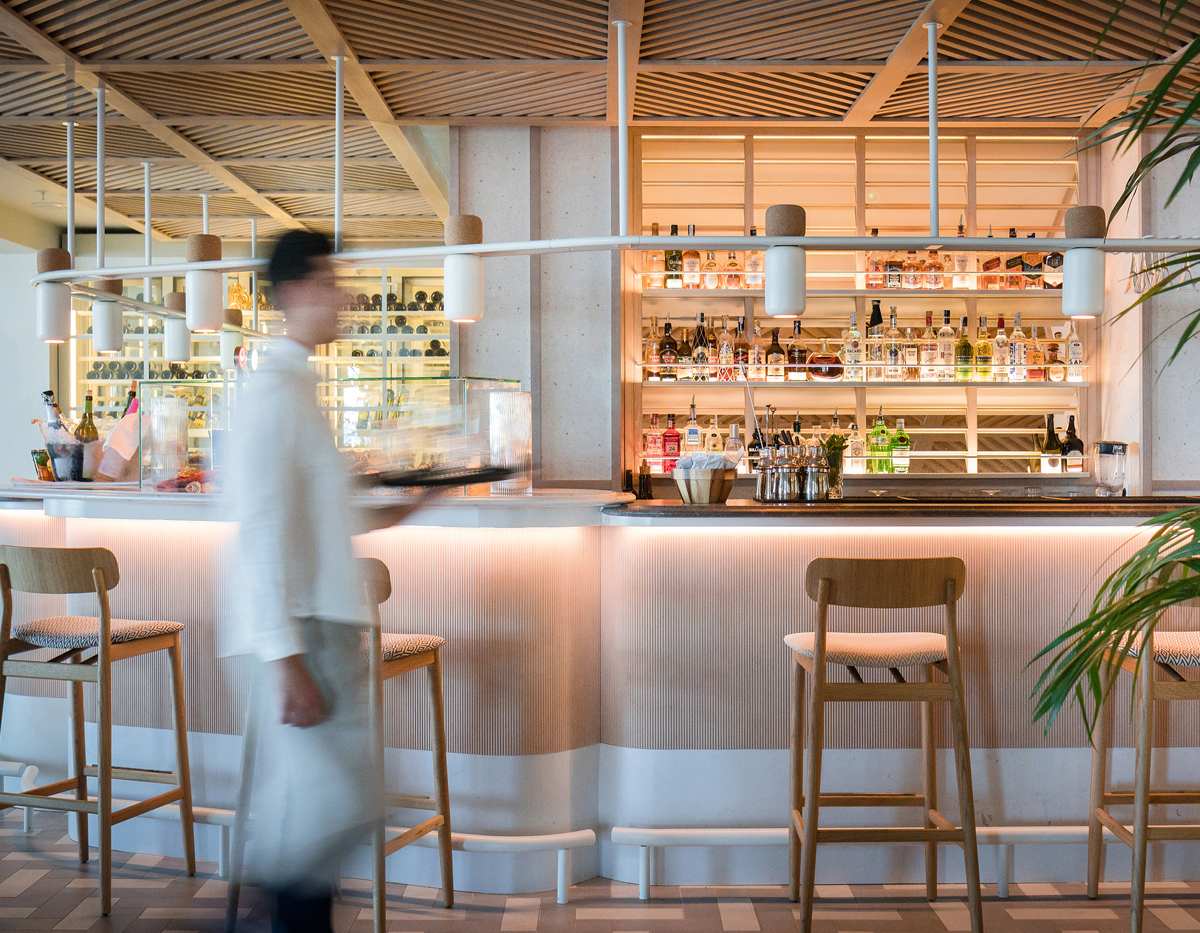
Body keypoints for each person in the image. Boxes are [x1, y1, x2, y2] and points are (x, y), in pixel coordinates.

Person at [228, 230, 432, 933]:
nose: (345, 297)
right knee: (335, 807)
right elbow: (259, 529)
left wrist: (420, 499)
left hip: (324, 626)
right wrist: (283, 657)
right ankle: (268, 904)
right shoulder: (272, 393)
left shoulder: (299, 388)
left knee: (335, 807)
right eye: (331, 283)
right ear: (294, 291)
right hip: (304, 629)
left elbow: (329, 511)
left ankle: (272, 901)